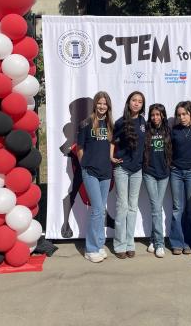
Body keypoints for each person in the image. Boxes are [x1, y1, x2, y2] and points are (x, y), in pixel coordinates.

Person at [77, 91, 113, 263]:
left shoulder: (110, 124)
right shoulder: (86, 123)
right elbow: (80, 148)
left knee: (101, 209)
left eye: (105, 103)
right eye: (99, 103)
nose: (102, 106)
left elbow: (111, 146)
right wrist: (85, 165)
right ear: (95, 105)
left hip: (106, 172)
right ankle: (90, 248)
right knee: (97, 209)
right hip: (90, 171)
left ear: (108, 106)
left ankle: (99, 244)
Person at [110, 91, 146, 259]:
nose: (137, 103)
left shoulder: (143, 122)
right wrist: (111, 156)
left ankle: (130, 243)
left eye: (140, 101)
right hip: (122, 169)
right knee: (122, 207)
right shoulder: (120, 122)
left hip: (137, 170)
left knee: (132, 207)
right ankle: (119, 245)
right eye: (134, 100)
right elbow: (112, 141)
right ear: (129, 102)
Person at [169, 101, 191, 255]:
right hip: (175, 172)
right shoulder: (174, 130)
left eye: (184, 114)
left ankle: (190, 242)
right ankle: (176, 242)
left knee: (190, 209)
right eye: (179, 114)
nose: (181, 117)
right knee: (177, 208)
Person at [143, 104, 172, 258]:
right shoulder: (146, 131)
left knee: (157, 207)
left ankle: (153, 240)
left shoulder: (168, 130)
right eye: (153, 115)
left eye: (158, 114)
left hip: (164, 174)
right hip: (149, 173)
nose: (155, 117)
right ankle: (160, 244)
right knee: (156, 207)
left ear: (162, 116)